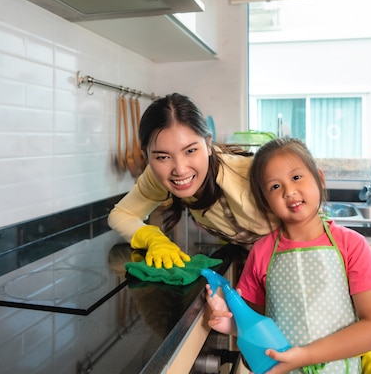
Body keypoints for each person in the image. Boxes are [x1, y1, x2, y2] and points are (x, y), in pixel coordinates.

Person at [206, 137, 371, 374]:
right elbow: (253, 349)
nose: (289, 191)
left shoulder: (351, 246)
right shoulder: (260, 254)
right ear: (265, 200)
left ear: (319, 178)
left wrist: (304, 355)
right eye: (275, 186)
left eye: (296, 177)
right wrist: (234, 326)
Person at [108, 93, 277, 269]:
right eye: (163, 157)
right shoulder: (157, 176)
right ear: (147, 155)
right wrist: (153, 238)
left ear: (208, 144)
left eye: (190, 151)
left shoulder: (250, 175)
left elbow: (306, 221)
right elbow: (120, 215)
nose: (180, 170)